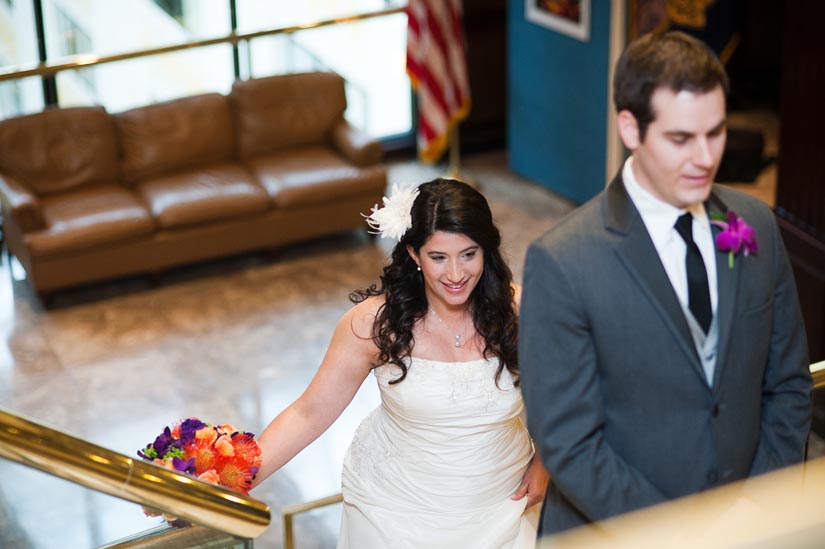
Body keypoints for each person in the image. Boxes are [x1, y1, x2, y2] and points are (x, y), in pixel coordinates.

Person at [518, 31, 812, 536]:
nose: (704, 157)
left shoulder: (756, 224)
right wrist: (679, 534)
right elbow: (569, 442)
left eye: (715, 133)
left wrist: (761, 506)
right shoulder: (562, 261)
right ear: (630, 128)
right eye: (680, 139)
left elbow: (787, 383)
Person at [254, 178, 549, 547]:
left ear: (486, 250)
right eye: (438, 257)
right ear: (413, 253)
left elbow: (569, 393)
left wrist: (547, 462)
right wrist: (235, 478)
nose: (456, 274)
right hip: (395, 512)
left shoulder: (523, 310)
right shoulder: (375, 324)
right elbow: (308, 414)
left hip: (503, 501)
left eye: (469, 254)